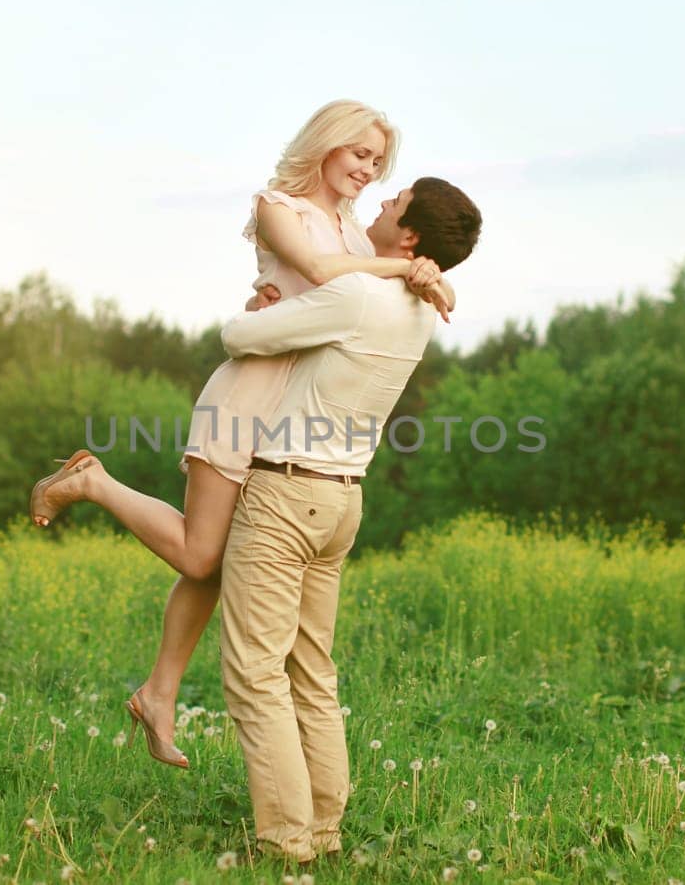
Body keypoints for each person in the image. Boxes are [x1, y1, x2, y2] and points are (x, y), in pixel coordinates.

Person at [28, 100, 455, 770]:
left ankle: (158, 692)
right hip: (248, 393)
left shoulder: (355, 230)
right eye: (359, 154)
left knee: (227, 560)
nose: (367, 170)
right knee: (202, 555)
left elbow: (379, 292)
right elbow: (318, 273)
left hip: (295, 417)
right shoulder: (277, 207)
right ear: (326, 144)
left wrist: (425, 269)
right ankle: (92, 481)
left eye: (378, 162)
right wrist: (405, 268)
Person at [212, 176, 482, 863]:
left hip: (284, 494)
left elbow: (237, 334)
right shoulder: (421, 308)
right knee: (312, 670)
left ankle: (286, 841)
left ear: (411, 235)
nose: (382, 204)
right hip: (341, 502)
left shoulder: (357, 294)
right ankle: (324, 830)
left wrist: (259, 304)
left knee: (256, 672)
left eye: (395, 204)